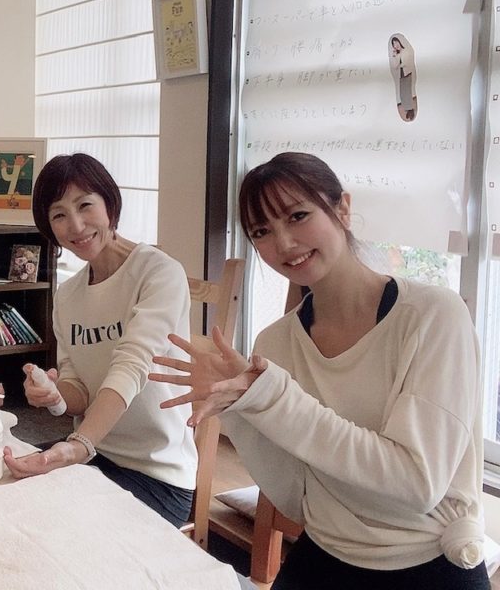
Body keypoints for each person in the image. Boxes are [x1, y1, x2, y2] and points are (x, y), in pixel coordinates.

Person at [152, 152, 487, 590]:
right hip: (325, 552)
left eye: (298, 216)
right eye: (261, 231)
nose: (284, 243)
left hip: (428, 564)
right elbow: (296, 497)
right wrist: (239, 407)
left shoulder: (433, 316)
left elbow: (416, 485)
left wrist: (272, 399)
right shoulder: (275, 343)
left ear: (342, 208)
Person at [1, 153, 198, 527]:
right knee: (1, 498)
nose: (76, 225)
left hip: (158, 476)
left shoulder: (158, 272)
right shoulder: (68, 295)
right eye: (59, 215)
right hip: (94, 456)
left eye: (85, 205)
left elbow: (132, 365)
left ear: (110, 204)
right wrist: (55, 395)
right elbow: (79, 390)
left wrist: (79, 445)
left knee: (55, 531)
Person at [389, 34, 417, 122]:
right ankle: (408, 110)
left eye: (396, 42)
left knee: (408, 92)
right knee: (403, 93)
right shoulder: (397, 54)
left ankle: (411, 110)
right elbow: (395, 66)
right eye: (394, 44)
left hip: (407, 73)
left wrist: (400, 65)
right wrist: (394, 56)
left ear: (400, 42)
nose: (396, 45)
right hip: (401, 75)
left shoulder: (406, 51)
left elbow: (406, 62)